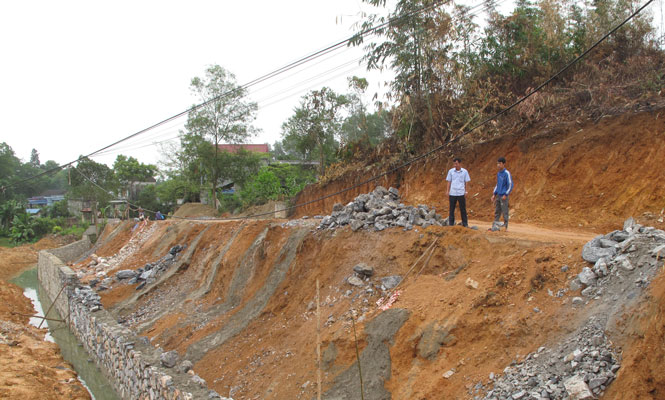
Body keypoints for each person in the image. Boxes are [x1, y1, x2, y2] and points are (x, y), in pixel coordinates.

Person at [446, 157, 470, 227]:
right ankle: (451, 223)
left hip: (461, 193)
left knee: (463, 209)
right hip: (453, 192)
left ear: (460, 163)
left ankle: (465, 223)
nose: (455, 165)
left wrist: (466, 191)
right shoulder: (451, 171)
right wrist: (447, 191)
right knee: (451, 209)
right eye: (454, 164)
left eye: (456, 163)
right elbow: (449, 182)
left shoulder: (465, 172)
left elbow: (466, 182)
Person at [491, 157, 513, 231]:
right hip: (498, 195)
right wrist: (494, 194)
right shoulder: (498, 173)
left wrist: (506, 194)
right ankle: (495, 225)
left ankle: (505, 226)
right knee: (497, 211)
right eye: (497, 163)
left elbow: (510, 185)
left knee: (505, 211)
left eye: (500, 163)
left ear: (503, 164)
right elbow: (498, 184)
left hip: (504, 196)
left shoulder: (507, 173)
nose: (498, 165)